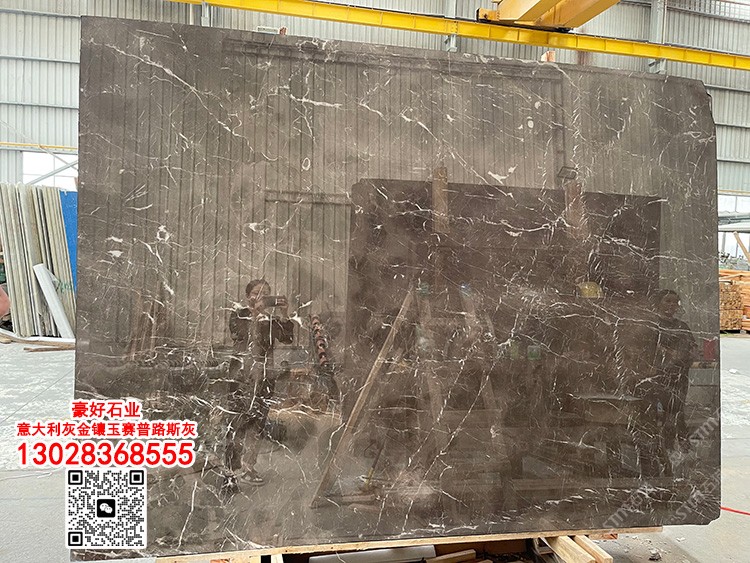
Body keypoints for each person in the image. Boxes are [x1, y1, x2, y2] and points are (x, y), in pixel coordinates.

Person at [223, 279, 294, 490]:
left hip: (263, 377)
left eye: (266, 293)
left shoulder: (272, 321)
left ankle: (248, 467)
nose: (260, 296)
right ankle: (230, 471)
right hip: (241, 378)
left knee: (258, 424)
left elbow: (287, 338)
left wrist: (284, 313)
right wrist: (255, 315)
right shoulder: (238, 314)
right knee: (236, 424)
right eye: (256, 292)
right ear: (248, 296)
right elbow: (239, 334)